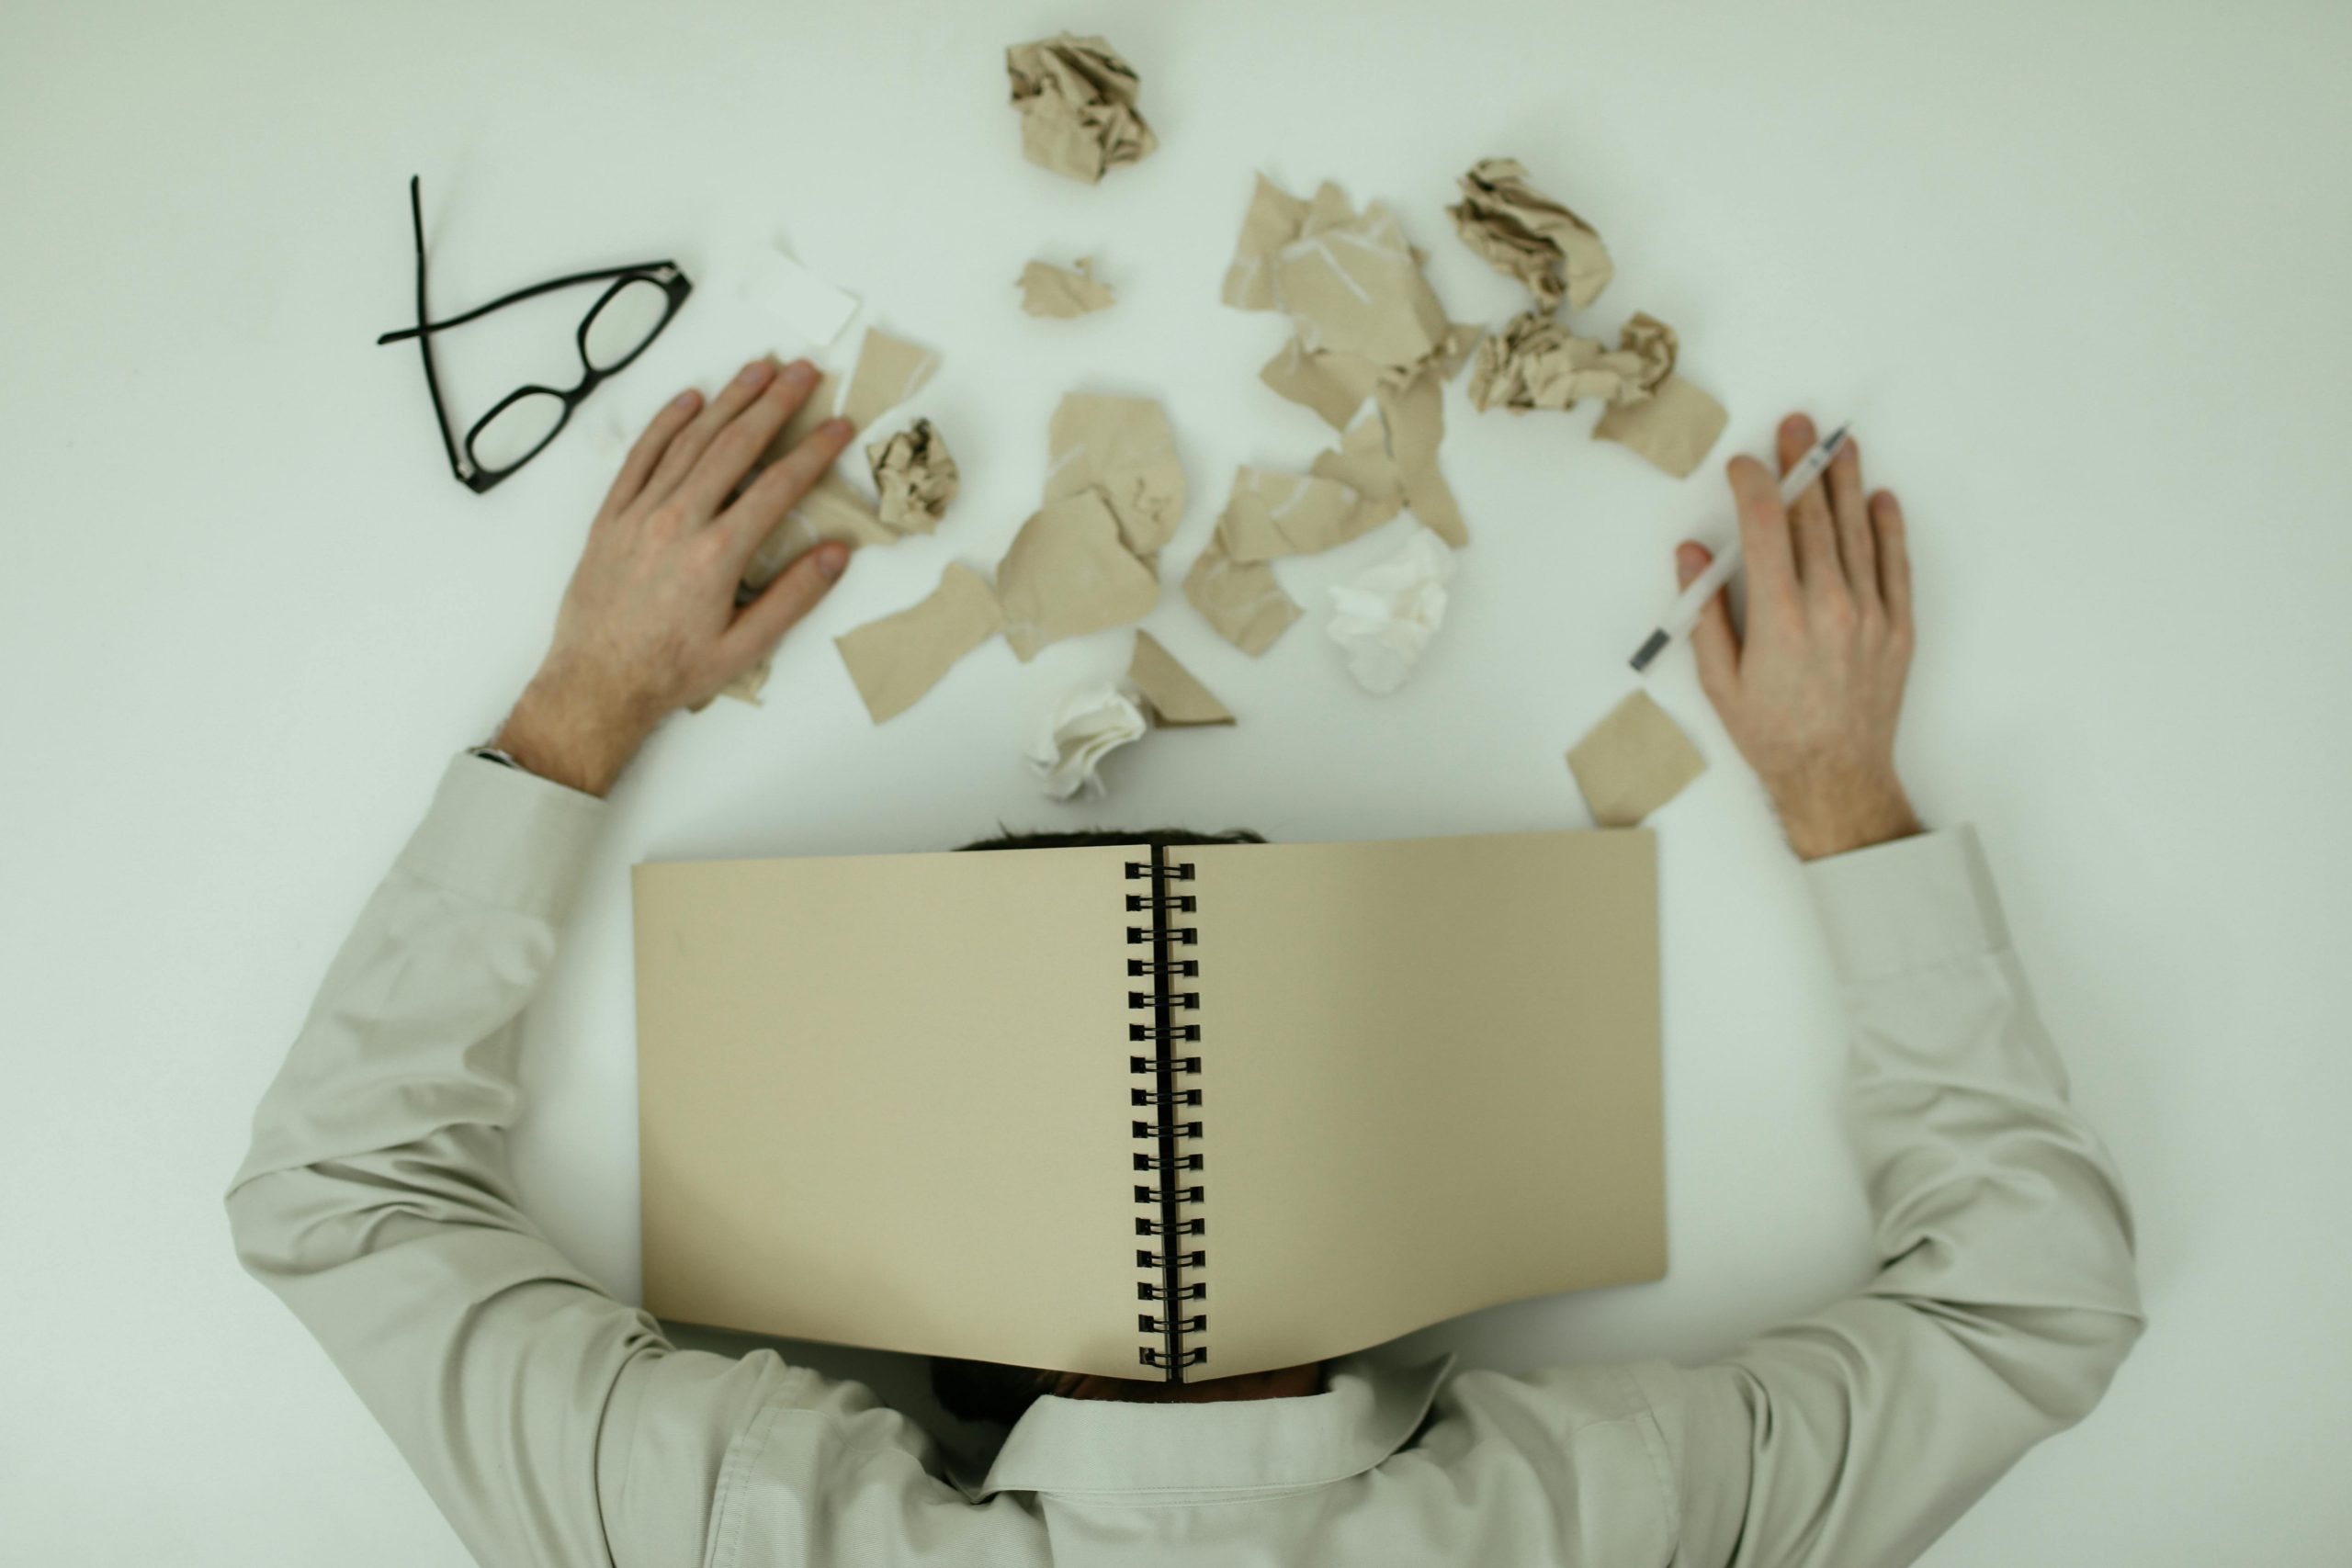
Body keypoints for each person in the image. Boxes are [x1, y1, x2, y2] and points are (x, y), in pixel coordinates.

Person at [225, 355, 2143, 1566]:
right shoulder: (1593, 1513)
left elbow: (338, 1201)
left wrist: (581, 705)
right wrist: (1836, 795)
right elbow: (2029, 1301)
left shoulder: (746, 1526)